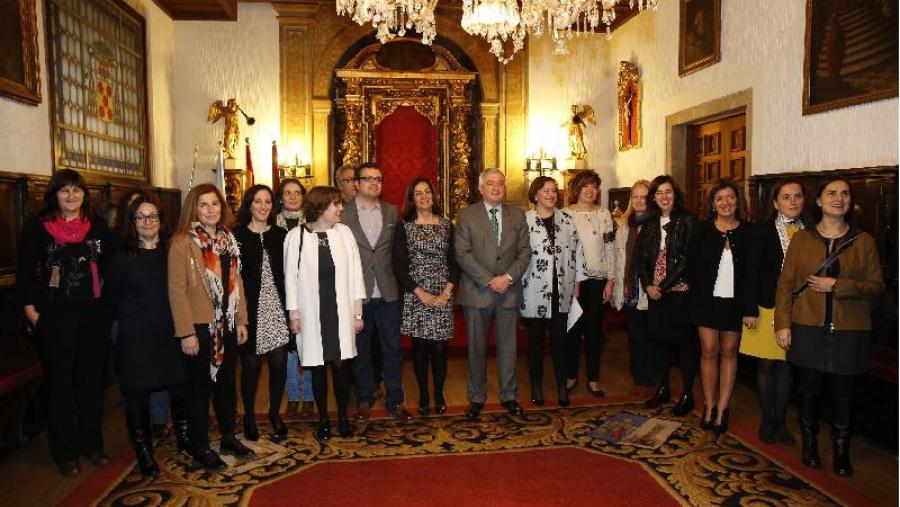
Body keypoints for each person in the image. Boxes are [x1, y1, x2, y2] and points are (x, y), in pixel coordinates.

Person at [775, 176, 883, 477]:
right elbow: (785, 285)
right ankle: (809, 446)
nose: (839, 198)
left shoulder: (864, 242)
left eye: (845, 194)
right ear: (819, 201)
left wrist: (838, 285)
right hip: (807, 327)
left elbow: (876, 286)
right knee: (808, 392)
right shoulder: (802, 239)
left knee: (843, 395)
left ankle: (841, 451)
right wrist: (783, 325)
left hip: (850, 331)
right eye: (832, 193)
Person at [17, 169, 111, 477]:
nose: (71, 196)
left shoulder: (97, 226)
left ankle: (91, 445)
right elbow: (24, 274)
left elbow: (111, 269)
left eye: (77, 191)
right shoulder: (37, 227)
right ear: (54, 195)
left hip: (93, 319)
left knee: (90, 384)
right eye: (64, 190)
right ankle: (65, 453)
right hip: (53, 319)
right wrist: (32, 313)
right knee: (60, 386)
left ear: (85, 195)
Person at [168, 183, 252, 470]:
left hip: (227, 324)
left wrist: (241, 320)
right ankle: (200, 446)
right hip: (199, 326)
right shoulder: (183, 242)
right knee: (200, 389)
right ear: (194, 208)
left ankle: (228, 436)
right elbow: (176, 290)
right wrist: (186, 332)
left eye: (215, 204)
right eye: (203, 205)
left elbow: (236, 282)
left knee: (227, 386)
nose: (210, 210)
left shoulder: (228, 238)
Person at [105, 196, 189, 478]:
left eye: (153, 216)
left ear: (161, 221)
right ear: (132, 222)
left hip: (169, 332)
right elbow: (112, 299)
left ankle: (185, 442)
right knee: (137, 395)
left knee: (179, 388)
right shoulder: (120, 259)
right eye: (141, 217)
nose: (148, 222)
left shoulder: (172, 253)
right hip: (136, 336)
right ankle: (144, 452)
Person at [284, 186, 366, 439]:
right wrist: (294, 315)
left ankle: (342, 418)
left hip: (341, 312)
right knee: (317, 367)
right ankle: (323, 420)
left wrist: (357, 314)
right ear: (320, 207)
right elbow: (291, 279)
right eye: (335, 204)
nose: (341, 208)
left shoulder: (345, 234)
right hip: (311, 314)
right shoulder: (296, 237)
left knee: (342, 368)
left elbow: (356, 274)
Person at [454, 168, 532, 419]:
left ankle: (509, 396)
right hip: (477, 293)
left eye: (500, 183)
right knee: (476, 349)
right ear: (481, 188)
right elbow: (462, 253)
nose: (496, 188)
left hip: (508, 291)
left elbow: (525, 252)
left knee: (508, 349)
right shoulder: (466, 215)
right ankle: (476, 398)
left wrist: (507, 278)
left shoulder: (518, 215)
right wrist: (490, 280)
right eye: (490, 183)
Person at [740, 178, 809, 446]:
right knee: (767, 364)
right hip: (765, 307)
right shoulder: (762, 231)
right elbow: (750, 273)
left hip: (799, 309)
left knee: (787, 366)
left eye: (798, 196)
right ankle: (767, 420)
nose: (793, 202)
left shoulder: (811, 231)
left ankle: (780, 422)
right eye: (786, 197)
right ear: (775, 203)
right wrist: (748, 310)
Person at [342, 162, 412, 422]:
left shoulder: (393, 212)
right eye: (368, 179)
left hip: (388, 293)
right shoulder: (343, 213)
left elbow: (397, 252)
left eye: (378, 179)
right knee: (360, 351)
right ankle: (364, 399)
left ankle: (396, 401)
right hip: (356, 294)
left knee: (392, 349)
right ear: (356, 184)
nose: (374, 183)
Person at [688, 179, 753, 433]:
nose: (725, 203)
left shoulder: (749, 232)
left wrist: (750, 308)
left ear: (738, 201)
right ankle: (709, 404)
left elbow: (752, 274)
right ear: (713, 204)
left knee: (729, 351)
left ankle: (723, 408)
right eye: (720, 199)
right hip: (706, 302)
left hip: (735, 303)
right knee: (709, 349)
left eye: (730, 197)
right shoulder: (702, 230)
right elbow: (691, 266)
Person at [393, 177, 459, 416]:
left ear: (433, 195)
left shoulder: (446, 225)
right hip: (416, 294)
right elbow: (399, 266)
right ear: (411, 199)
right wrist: (421, 294)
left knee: (440, 349)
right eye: (418, 193)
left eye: (427, 192)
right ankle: (422, 394)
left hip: (443, 293)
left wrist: (445, 293)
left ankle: (439, 393)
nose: (424, 196)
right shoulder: (404, 227)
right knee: (420, 348)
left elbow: (454, 262)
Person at [636, 175, 697, 417]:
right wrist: (648, 285)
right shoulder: (649, 222)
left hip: (678, 291)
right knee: (658, 341)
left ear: (675, 194)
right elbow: (640, 259)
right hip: (654, 291)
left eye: (668, 192)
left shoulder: (687, 220)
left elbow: (686, 259)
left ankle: (687, 394)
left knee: (683, 345)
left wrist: (663, 285)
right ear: (654, 197)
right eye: (659, 192)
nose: (663, 197)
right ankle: (663, 388)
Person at [521, 176, 585, 407]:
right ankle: (537, 387)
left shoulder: (567, 220)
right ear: (535, 194)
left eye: (554, 190)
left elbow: (578, 253)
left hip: (562, 289)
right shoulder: (524, 221)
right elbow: (517, 256)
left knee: (561, 341)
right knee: (536, 341)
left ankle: (561, 388)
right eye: (545, 190)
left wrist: (577, 283)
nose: (551, 194)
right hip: (534, 291)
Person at [235, 185, 291, 442]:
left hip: (277, 308)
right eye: (257, 201)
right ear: (249, 204)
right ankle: (248, 416)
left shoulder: (281, 234)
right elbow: (232, 279)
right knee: (251, 366)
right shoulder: (236, 236)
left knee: (279, 364)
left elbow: (291, 274)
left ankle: (274, 414)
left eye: (267, 201)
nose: (263, 206)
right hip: (250, 310)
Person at [564, 170, 615, 398]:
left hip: (597, 281)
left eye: (594, 186)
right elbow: (564, 251)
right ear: (577, 189)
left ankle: (593, 379)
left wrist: (610, 281)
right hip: (572, 282)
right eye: (586, 185)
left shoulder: (604, 215)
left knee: (595, 332)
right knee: (572, 330)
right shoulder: (565, 214)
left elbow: (610, 249)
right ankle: (570, 375)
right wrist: (572, 281)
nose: (590, 190)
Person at [273, 178, 315, 420]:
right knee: (289, 348)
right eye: (287, 193)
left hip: (307, 292)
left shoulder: (311, 225)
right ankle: (292, 396)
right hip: (280, 293)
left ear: (303, 196)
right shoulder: (272, 225)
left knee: (307, 345)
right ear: (281, 197)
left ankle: (309, 396)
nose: (291, 197)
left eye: (296, 193)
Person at [612, 180, 654, 397]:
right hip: (629, 290)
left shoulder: (656, 224)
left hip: (649, 290)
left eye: (644, 197)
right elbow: (616, 257)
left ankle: (652, 378)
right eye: (635, 197)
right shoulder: (623, 224)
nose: (639, 201)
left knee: (651, 337)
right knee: (635, 337)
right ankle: (639, 380)